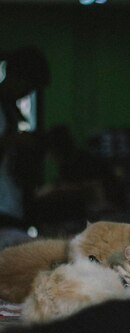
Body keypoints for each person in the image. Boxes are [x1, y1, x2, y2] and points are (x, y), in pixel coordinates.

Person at [0, 46, 50, 247]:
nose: (26, 93)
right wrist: (16, 140)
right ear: (14, 76)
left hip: (11, 207)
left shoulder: (11, 111)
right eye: (27, 86)